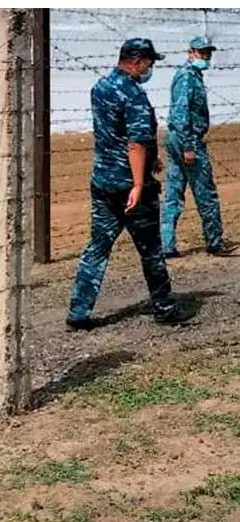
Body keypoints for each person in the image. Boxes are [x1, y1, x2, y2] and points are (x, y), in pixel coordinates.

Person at [66, 38, 193, 331]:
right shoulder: (133, 94)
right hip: (130, 185)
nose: (150, 68)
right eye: (149, 63)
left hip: (103, 181)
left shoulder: (100, 87)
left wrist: (152, 160)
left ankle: (78, 311)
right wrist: (139, 183)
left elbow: (115, 133)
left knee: (97, 247)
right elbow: (135, 143)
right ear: (137, 61)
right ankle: (164, 307)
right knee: (150, 250)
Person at [160, 36, 236, 258]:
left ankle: (166, 244)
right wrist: (188, 146)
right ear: (191, 52)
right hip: (187, 138)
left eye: (208, 53)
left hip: (178, 138)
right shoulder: (186, 77)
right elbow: (181, 112)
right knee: (205, 193)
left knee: (173, 191)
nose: (205, 57)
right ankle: (213, 241)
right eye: (201, 53)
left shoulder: (192, 75)